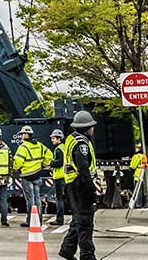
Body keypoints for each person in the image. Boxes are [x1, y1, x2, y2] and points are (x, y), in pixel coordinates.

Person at [59, 111, 100, 260]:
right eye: (92, 127)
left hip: (72, 184)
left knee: (78, 219)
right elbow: (83, 168)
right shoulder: (82, 144)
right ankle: (87, 256)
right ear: (87, 128)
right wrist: (91, 190)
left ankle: (67, 249)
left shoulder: (72, 139)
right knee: (85, 222)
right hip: (80, 185)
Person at [12, 125, 46, 224]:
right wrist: (42, 165)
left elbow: (18, 162)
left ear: (26, 135)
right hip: (37, 174)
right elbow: (49, 155)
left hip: (27, 176)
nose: (21, 136)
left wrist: (16, 168)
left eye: (22, 134)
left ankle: (31, 220)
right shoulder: (40, 145)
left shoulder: (23, 147)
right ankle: (38, 219)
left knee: (30, 199)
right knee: (37, 197)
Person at [49, 129, 68, 226]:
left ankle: (59, 219)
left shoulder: (58, 149)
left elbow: (59, 163)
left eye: (53, 138)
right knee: (66, 197)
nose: (52, 140)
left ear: (59, 139)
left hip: (59, 176)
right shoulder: (64, 147)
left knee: (59, 198)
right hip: (65, 176)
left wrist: (51, 163)